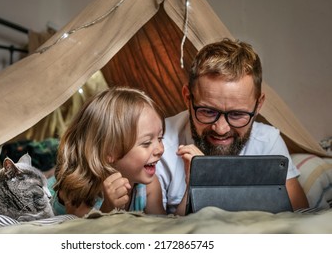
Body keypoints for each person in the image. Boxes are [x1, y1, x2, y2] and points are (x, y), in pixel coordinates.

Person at [156, 38, 309, 215]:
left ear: (258, 105)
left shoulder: (267, 143)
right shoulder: (158, 145)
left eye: (237, 115)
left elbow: (302, 222)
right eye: (208, 111)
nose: (221, 129)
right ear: (187, 97)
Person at [50, 86, 166, 217]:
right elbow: (83, 234)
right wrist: (108, 208)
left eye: (160, 138)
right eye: (146, 143)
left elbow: (165, 230)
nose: (160, 149)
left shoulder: (148, 188)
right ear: (109, 152)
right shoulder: (78, 190)